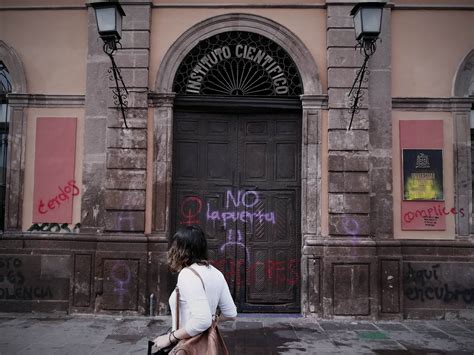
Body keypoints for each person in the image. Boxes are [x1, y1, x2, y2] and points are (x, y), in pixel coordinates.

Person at [152, 225, 237, 352]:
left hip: (189, 346)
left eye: (175, 245)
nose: (172, 249)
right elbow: (231, 313)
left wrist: (170, 338)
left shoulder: (187, 274)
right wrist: (212, 319)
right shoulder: (216, 273)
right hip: (205, 346)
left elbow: (202, 320)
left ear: (183, 249)